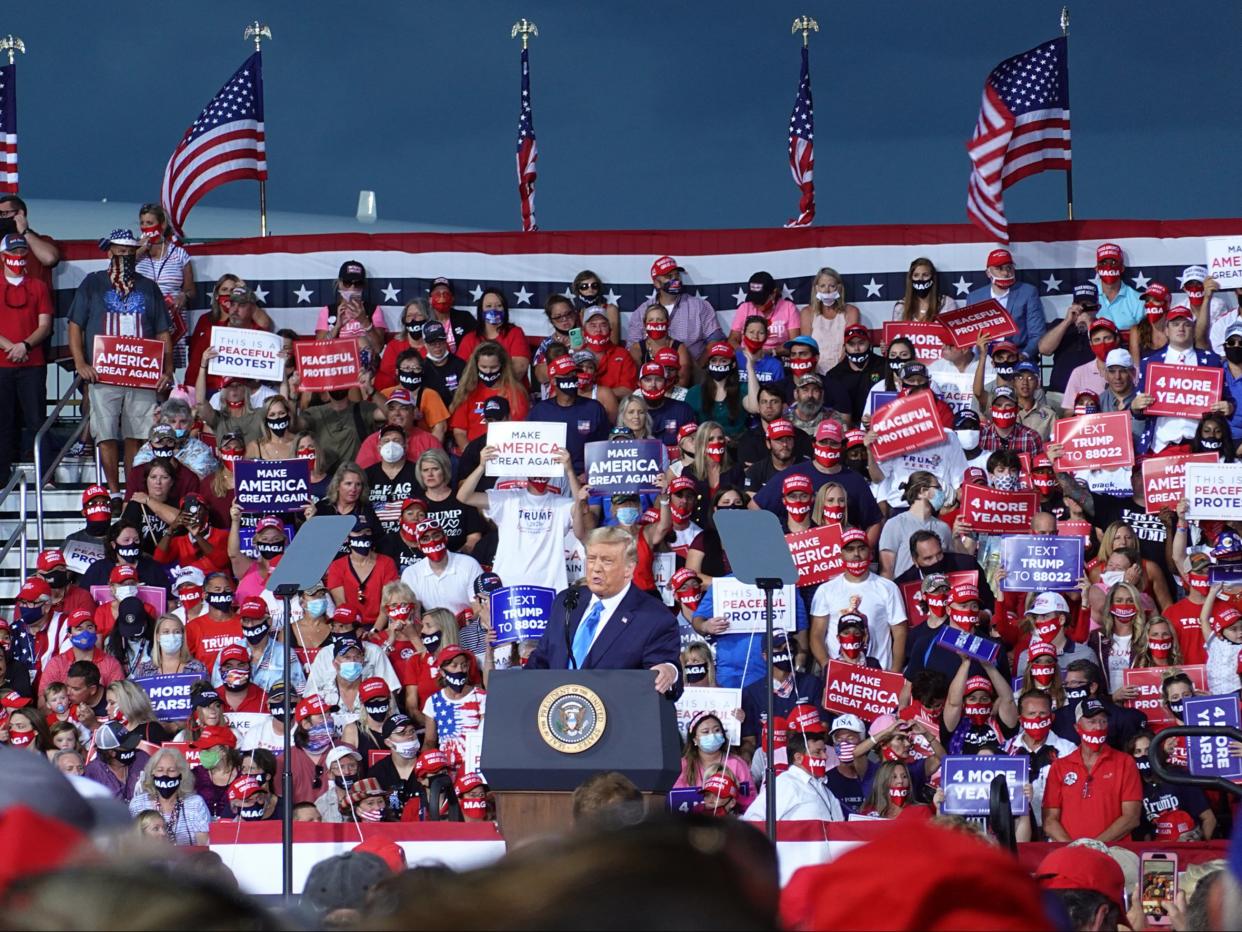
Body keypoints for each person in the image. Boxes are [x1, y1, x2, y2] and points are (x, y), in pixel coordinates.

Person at [67, 229, 173, 502]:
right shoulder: (93, 283)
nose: (124, 256)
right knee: (105, 432)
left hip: (141, 372)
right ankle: (114, 490)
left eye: (129, 251)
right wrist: (80, 363)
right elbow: (75, 325)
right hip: (104, 371)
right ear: (109, 251)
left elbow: (163, 332)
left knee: (138, 433)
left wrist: (168, 369)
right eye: (119, 251)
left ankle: (131, 490)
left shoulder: (148, 286)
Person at [526, 526, 683, 697]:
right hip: (556, 716)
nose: (596, 568)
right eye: (592, 559)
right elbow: (541, 661)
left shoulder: (654, 617)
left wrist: (669, 671)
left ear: (629, 569)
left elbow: (663, 675)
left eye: (607, 561)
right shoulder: (567, 601)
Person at [1042, 698, 1142, 842]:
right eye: (1092, 721)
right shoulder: (1059, 766)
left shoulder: (1125, 762)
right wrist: (1075, 849)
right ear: (1077, 727)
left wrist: (1094, 847)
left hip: (1114, 854)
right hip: (1071, 855)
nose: (1098, 727)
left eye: (1103, 721)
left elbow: (1131, 818)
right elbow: (1050, 821)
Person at [810, 529, 907, 672]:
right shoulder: (826, 590)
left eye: (861, 549)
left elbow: (900, 633)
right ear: (840, 555)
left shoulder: (888, 588)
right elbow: (816, 634)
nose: (856, 554)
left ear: (871, 553)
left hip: (878, 674)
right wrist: (827, 667)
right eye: (850, 549)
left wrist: (895, 672)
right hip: (839, 675)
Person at [0, 234, 52, 485]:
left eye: (22, 252)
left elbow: (45, 324)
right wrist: (10, 347)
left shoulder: (38, 286)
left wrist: (25, 345)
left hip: (32, 363)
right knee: (3, 419)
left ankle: (46, 472)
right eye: (14, 252)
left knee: (36, 419)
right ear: (3, 257)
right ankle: (2, 474)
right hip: (2, 363)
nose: (19, 256)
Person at [742, 719, 845, 822]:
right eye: (817, 752)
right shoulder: (785, 783)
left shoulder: (823, 787)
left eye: (824, 751)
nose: (825, 756)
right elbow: (753, 819)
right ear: (798, 758)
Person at [627, 256, 724, 362]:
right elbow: (632, 348)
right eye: (669, 276)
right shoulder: (641, 312)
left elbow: (716, 340)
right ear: (657, 283)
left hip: (694, 369)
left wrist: (699, 368)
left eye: (677, 275)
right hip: (653, 374)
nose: (675, 279)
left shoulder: (699, 306)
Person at [964, 247, 1046, 361]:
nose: (1005, 273)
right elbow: (969, 336)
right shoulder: (974, 298)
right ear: (988, 272)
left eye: (1009, 268)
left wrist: (1024, 355)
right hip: (984, 359)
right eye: (999, 268)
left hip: (1017, 357)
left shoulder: (1028, 293)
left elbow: (1037, 334)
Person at [128, 747, 212, 845]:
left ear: (181, 774)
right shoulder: (138, 804)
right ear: (152, 773)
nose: (165, 775)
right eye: (160, 770)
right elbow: (132, 844)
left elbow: (204, 846)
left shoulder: (195, 803)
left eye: (171, 770)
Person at [315, 260, 385, 361]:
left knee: (361, 341)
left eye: (358, 284)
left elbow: (378, 349)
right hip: (338, 364)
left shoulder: (374, 310)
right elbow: (318, 350)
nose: (352, 287)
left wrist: (364, 322)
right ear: (339, 283)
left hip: (365, 367)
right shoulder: (328, 311)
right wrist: (337, 327)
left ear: (363, 286)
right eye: (347, 283)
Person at [801, 267, 860, 370]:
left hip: (842, 369)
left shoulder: (851, 312)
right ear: (816, 288)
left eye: (832, 286)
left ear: (839, 288)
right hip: (815, 370)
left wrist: (837, 371)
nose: (827, 290)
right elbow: (806, 347)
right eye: (822, 286)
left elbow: (849, 346)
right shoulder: (807, 312)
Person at [729, 271, 800, 351]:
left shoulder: (788, 308)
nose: (757, 304)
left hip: (778, 356)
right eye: (754, 300)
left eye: (761, 300)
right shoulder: (745, 308)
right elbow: (732, 339)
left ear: (773, 293)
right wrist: (743, 353)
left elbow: (794, 343)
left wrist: (771, 352)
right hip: (748, 356)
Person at [894, 257, 959, 322]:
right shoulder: (901, 306)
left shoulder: (947, 303)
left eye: (925, 275)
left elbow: (953, 330)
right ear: (911, 278)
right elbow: (895, 331)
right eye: (916, 275)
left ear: (933, 278)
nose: (920, 279)